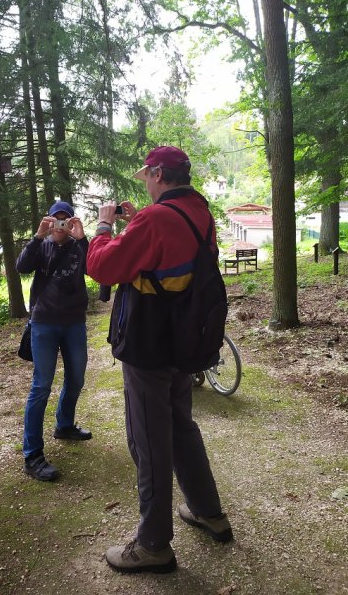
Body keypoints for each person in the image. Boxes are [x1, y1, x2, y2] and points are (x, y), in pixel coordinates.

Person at [87, 146, 232, 573]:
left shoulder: (154, 219)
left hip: (149, 345)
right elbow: (172, 260)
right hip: (184, 342)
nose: (146, 184)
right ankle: (208, 511)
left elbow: (102, 267)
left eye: (147, 177)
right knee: (182, 427)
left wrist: (104, 227)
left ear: (158, 174)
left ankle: (153, 545)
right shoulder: (199, 212)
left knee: (149, 440)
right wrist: (138, 224)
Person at [16, 201, 92, 482]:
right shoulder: (42, 245)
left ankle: (64, 425)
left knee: (77, 379)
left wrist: (82, 239)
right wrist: (38, 236)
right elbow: (22, 267)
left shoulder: (79, 246)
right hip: (44, 323)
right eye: (56, 220)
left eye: (65, 220)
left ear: (72, 222)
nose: (60, 225)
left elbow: (96, 269)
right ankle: (32, 455)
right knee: (41, 386)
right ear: (49, 222)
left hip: (74, 324)